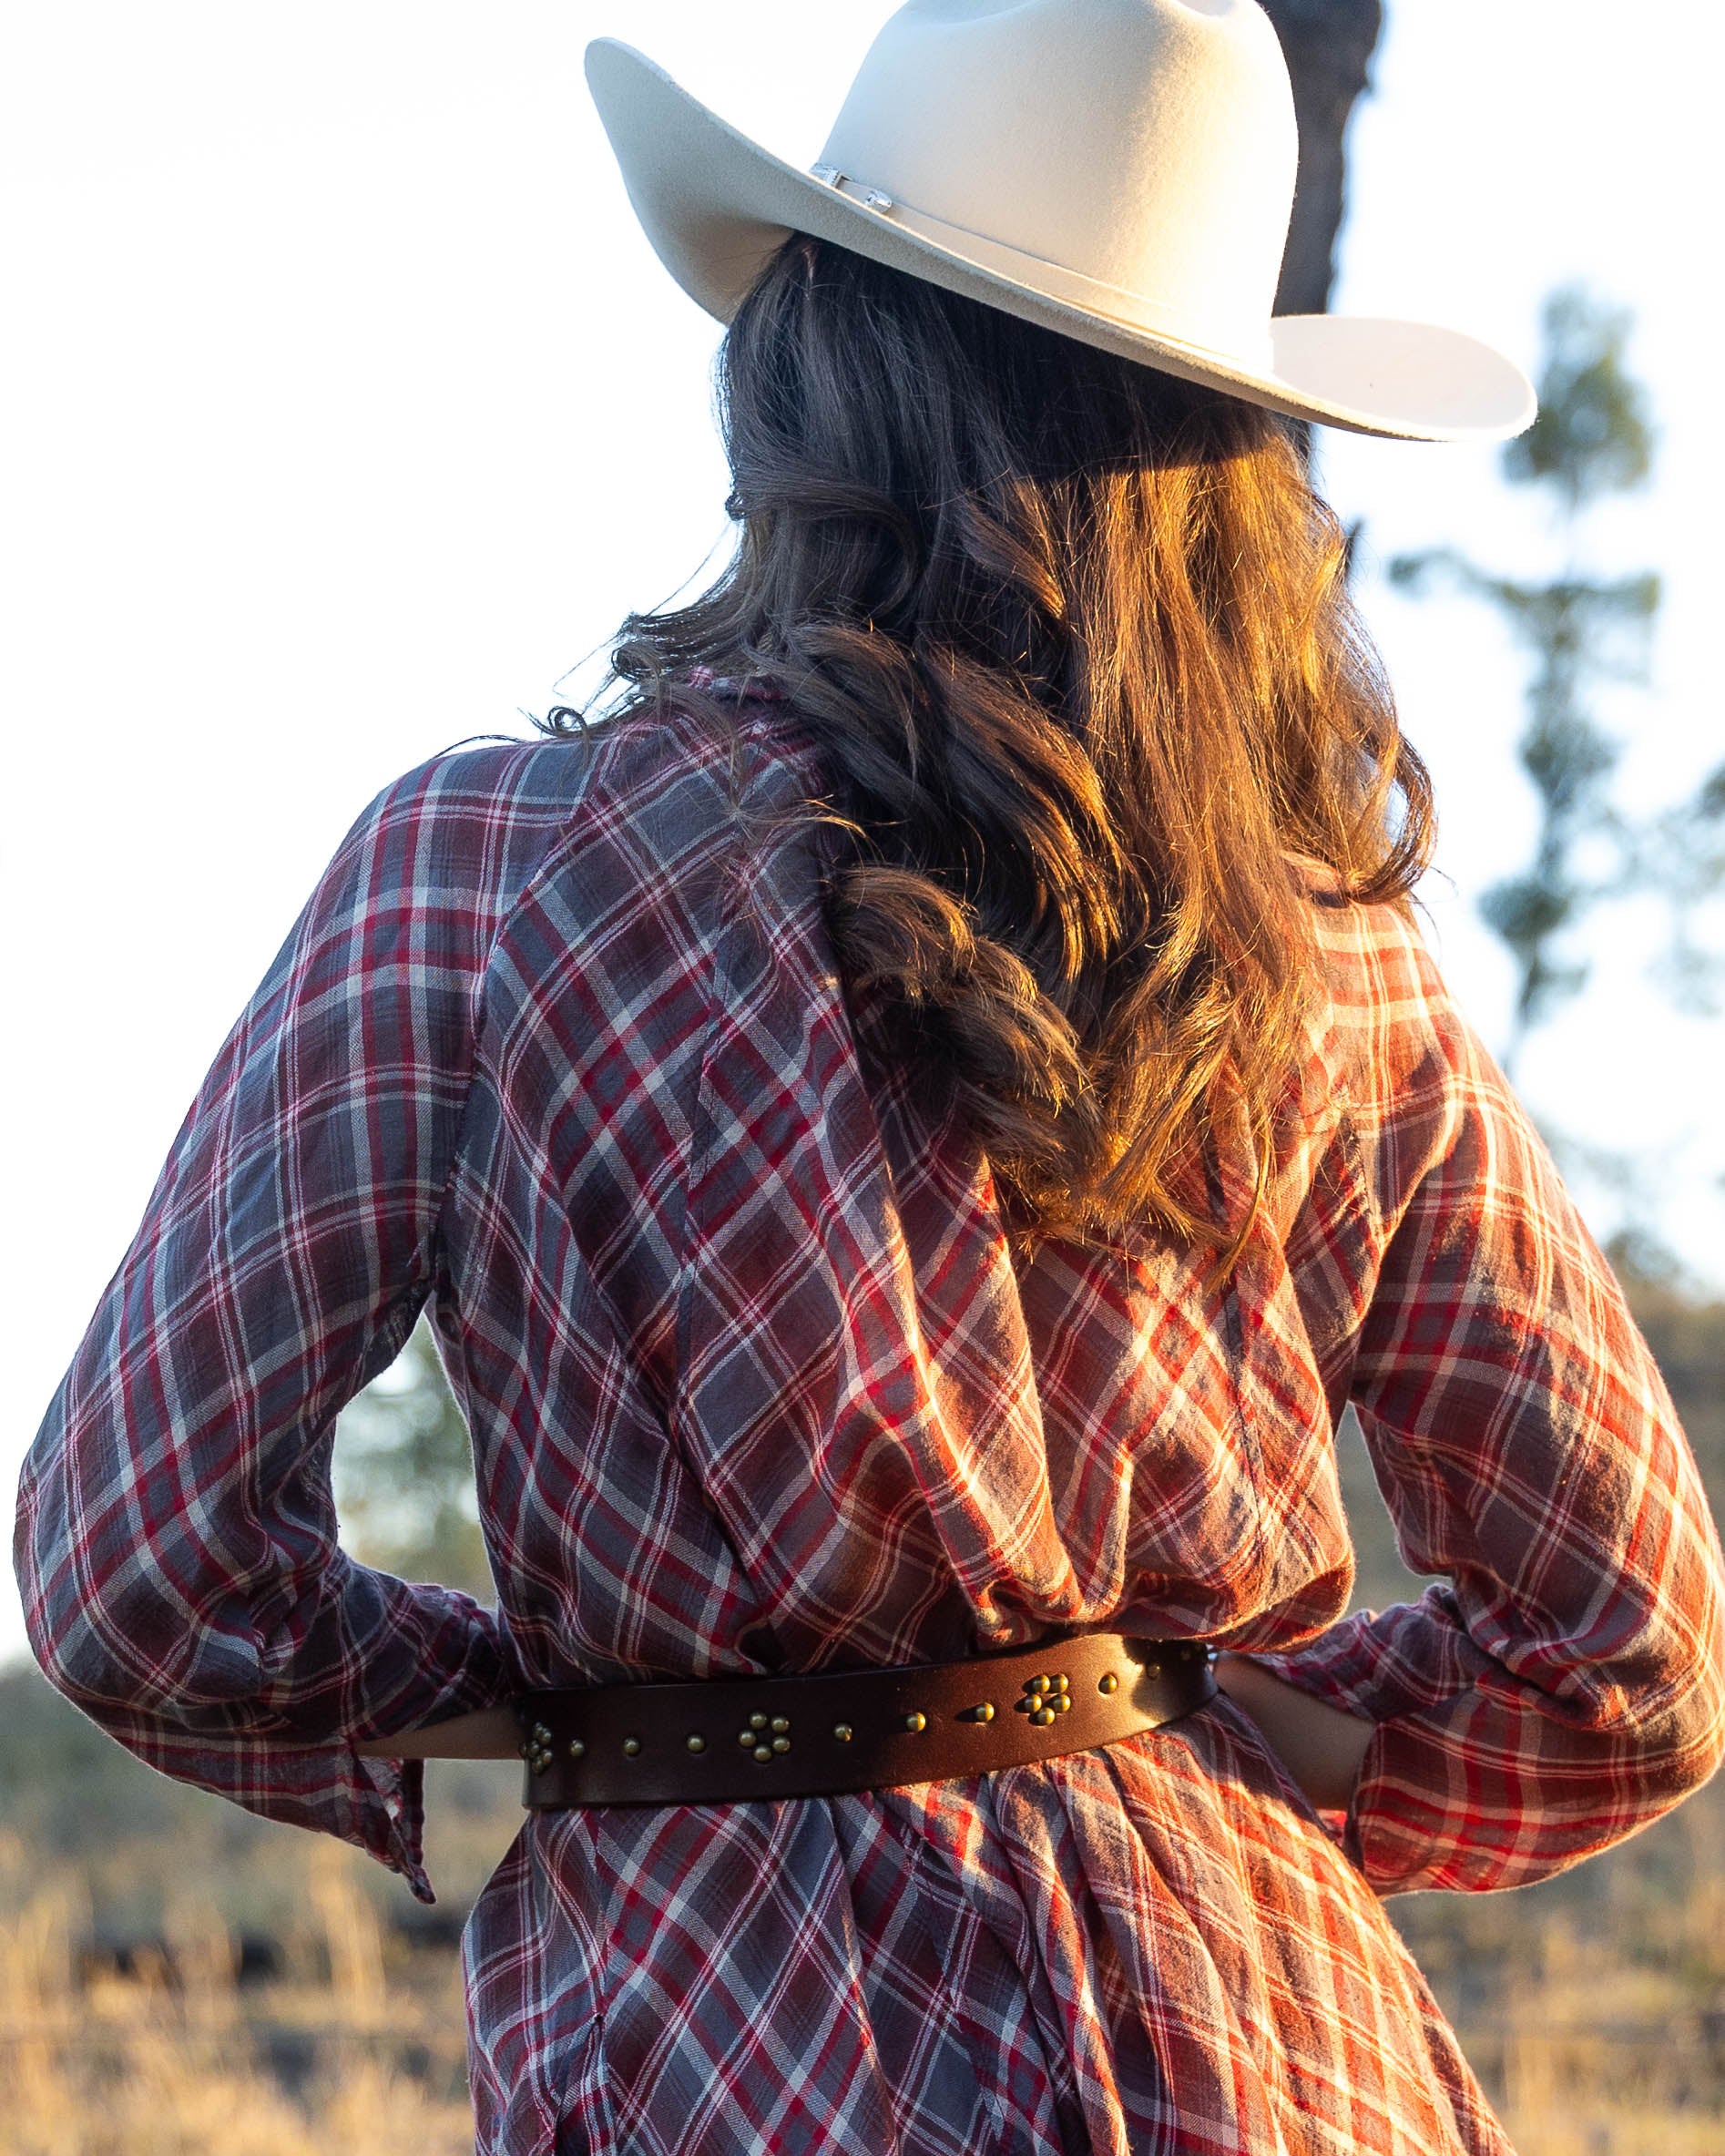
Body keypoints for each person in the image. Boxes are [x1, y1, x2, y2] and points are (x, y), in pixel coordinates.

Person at [15, 4, 1725, 2151]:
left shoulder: (474, 876)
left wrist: (537, 1711)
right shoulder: (1315, 943)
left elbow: (128, 1558)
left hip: (718, 2031)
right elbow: (1626, 1644)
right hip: (1275, 2055)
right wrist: (1206, 1742)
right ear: (1217, 469)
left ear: (795, 372)